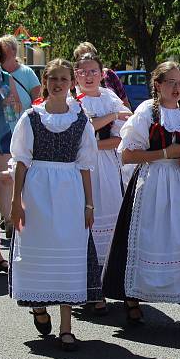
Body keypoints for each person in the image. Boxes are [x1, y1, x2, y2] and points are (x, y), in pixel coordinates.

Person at [102, 61, 180, 338]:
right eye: (171, 83)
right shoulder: (145, 113)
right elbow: (127, 154)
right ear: (158, 85)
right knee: (147, 239)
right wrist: (165, 153)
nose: (177, 88)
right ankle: (132, 301)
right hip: (152, 185)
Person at [8, 59, 99, 351]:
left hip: (69, 192)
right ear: (45, 82)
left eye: (63, 78)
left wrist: (89, 204)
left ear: (72, 82)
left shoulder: (81, 120)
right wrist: (16, 202)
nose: (58, 84)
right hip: (37, 191)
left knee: (68, 254)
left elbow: (86, 165)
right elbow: (21, 162)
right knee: (38, 252)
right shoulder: (31, 117)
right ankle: (38, 305)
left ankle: (66, 327)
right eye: (53, 78)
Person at [74, 52, 131, 316]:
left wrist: (94, 142)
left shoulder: (110, 97)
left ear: (101, 73)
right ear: (76, 75)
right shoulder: (73, 101)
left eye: (93, 71)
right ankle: (86, 288)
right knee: (83, 223)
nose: (88, 76)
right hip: (80, 169)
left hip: (108, 167)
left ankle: (106, 284)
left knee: (110, 223)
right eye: (83, 72)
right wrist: (110, 118)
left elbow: (121, 137)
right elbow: (79, 134)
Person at [0, 37, 16, 239]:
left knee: (5, 178)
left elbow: (16, 105)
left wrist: (8, 101)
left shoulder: (6, 77)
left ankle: (7, 220)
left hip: (2, 131)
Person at [72, 42, 130, 108]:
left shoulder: (109, 75)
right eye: (82, 57)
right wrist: (115, 115)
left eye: (90, 56)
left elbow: (124, 101)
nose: (87, 60)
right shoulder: (71, 84)